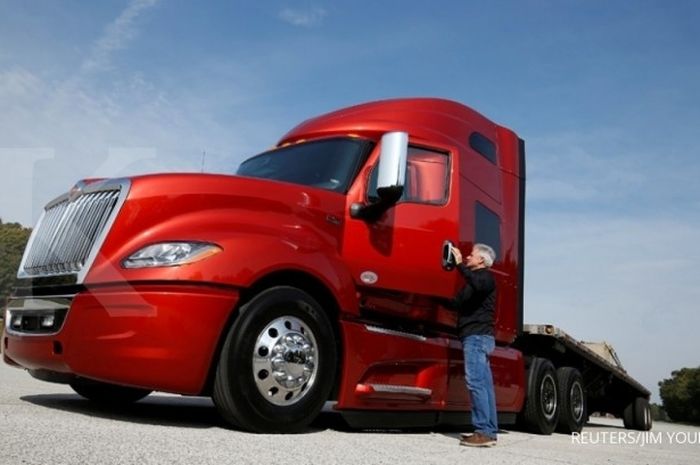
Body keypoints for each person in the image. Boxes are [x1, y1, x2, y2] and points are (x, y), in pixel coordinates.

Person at [449, 243, 498, 447]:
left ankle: (483, 432)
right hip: (475, 337)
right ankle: (490, 430)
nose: (468, 257)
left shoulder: (486, 277)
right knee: (485, 385)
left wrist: (459, 265)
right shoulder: (473, 284)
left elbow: (477, 283)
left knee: (476, 383)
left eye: (471, 255)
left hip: (477, 337)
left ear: (481, 260)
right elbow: (457, 303)